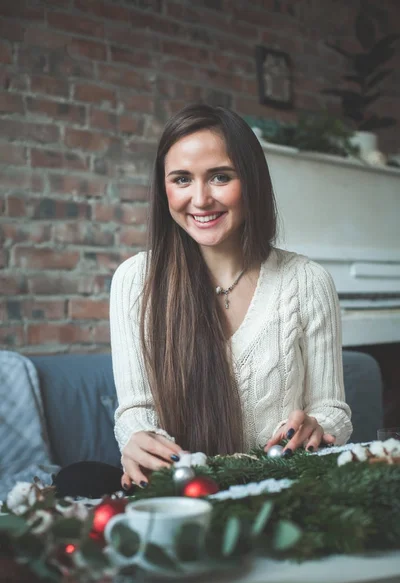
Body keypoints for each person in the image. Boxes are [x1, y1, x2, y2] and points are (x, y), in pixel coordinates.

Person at [110, 103, 352, 492]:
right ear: (164, 188)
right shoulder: (135, 281)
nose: (201, 199)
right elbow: (136, 410)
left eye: (220, 177)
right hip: (181, 495)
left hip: (283, 491)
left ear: (252, 181)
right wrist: (137, 440)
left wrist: (320, 426)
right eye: (182, 179)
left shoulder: (307, 281)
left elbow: (332, 409)